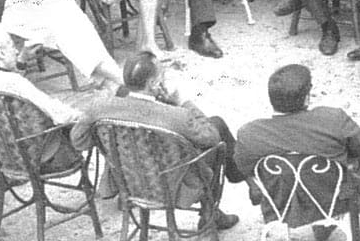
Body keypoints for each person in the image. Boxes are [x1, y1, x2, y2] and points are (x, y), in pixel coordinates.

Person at [70, 51, 242, 229]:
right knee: (217, 140)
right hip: (174, 188)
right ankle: (211, 211)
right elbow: (212, 136)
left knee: (212, 129)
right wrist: (183, 102)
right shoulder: (176, 116)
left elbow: (78, 142)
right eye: (162, 75)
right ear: (153, 83)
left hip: (128, 185)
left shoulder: (99, 108)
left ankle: (214, 210)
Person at [234, 63, 360, 241]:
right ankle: (326, 220)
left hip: (283, 204)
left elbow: (243, 166)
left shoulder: (250, 133)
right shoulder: (333, 118)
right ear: (307, 96)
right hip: (334, 200)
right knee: (354, 160)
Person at [0, 23, 82, 173]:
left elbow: (2, 80)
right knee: (87, 126)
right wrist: (85, 116)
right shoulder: (16, 84)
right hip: (43, 158)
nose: (16, 50)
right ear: (1, 52)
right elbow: (62, 116)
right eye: (11, 46)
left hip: (3, 157)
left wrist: (22, 59)